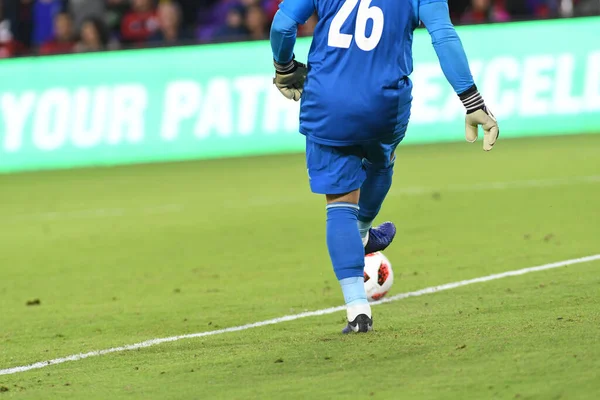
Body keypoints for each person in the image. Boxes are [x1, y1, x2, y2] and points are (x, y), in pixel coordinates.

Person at [270, 0, 499, 333]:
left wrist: (285, 67)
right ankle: (363, 232)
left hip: (326, 100)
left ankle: (357, 312)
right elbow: (443, 35)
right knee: (381, 158)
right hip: (383, 102)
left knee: (339, 204)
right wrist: (472, 101)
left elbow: (282, 25)